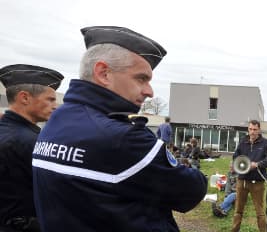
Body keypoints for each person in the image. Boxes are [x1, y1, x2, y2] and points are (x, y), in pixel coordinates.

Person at [31, 26, 207, 232]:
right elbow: (192, 190)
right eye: (141, 78)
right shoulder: (122, 137)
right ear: (104, 73)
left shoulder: (56, 120)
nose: (149, 92)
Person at [0, 64, 63, 232]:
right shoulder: (30, 141)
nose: (55, 105)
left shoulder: (7, 131)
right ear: (25, 98)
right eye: (50, 99)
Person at [232, 120, 267, 232]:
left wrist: (257, 164)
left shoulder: (265, 143)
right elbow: (236, 156)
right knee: (238, 211)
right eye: (250, 129)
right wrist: (234, 164)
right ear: (248, 129)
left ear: (259, 130)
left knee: (260, 212)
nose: (252, 132)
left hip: (257, 182)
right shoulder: (243, 141)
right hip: (242, 180)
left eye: (255, 129)